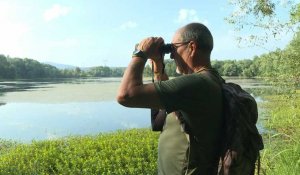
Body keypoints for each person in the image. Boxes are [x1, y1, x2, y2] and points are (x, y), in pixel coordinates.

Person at [117, 22, 223, 175]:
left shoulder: (197, 84)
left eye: (174, 48)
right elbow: (165, 109)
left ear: (192, 47)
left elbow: (126, 95)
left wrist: (140, 53)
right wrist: (158, 64)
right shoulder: (210, 80)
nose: (172, 55)